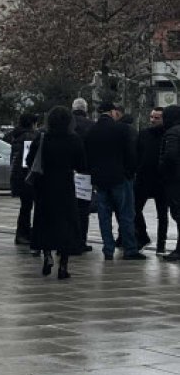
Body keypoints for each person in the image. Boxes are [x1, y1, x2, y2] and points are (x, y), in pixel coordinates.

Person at [26, 106, 87, 279]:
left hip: (44, 185)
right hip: (65, 185)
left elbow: (30, 160)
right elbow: (81, 164)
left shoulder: (42, 137)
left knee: (45, 221)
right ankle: (63, 266)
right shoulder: (74, 139)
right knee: (66, 223)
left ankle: (47, 255)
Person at [84, 101, 145, 261]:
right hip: (120, 178)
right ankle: (130, 249)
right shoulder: (122, 129)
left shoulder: (91, 131)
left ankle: (108, 249)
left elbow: (87, 156)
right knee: (126, 214)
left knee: (104, 215)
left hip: (100, 179)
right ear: (113, 112)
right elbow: (131, 154)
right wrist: (130, 172)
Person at [135, 108, 167, 252]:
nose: (153, 120)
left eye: (157, 117)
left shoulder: (169, 135)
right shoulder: (143, 134)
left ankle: (161, 245)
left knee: (162, 215)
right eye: (151, 117)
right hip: (144, 178)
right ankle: (143, 236)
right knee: (134, 209)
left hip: (161, 180)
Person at [9, 113, 39, 246]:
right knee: (29, 207)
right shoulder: (30, 137)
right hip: (28, 176)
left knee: (25, 206)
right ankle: (24, 234)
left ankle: (23, 233)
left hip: (18, 176)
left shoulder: (16, 137)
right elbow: (31, 160)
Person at [71, 97, 95, 252]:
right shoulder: (91, 126)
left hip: (67, 171)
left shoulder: (66, 124)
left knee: (67, 206)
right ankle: (81, 240)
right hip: (85, 172)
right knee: (83, 209)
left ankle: (68, 238)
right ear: (85, 110)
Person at [158, 105, 180, 261]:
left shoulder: (172, 132)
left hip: (175, 180)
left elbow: (170, 155)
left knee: (178, 214)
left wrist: (163, 168)